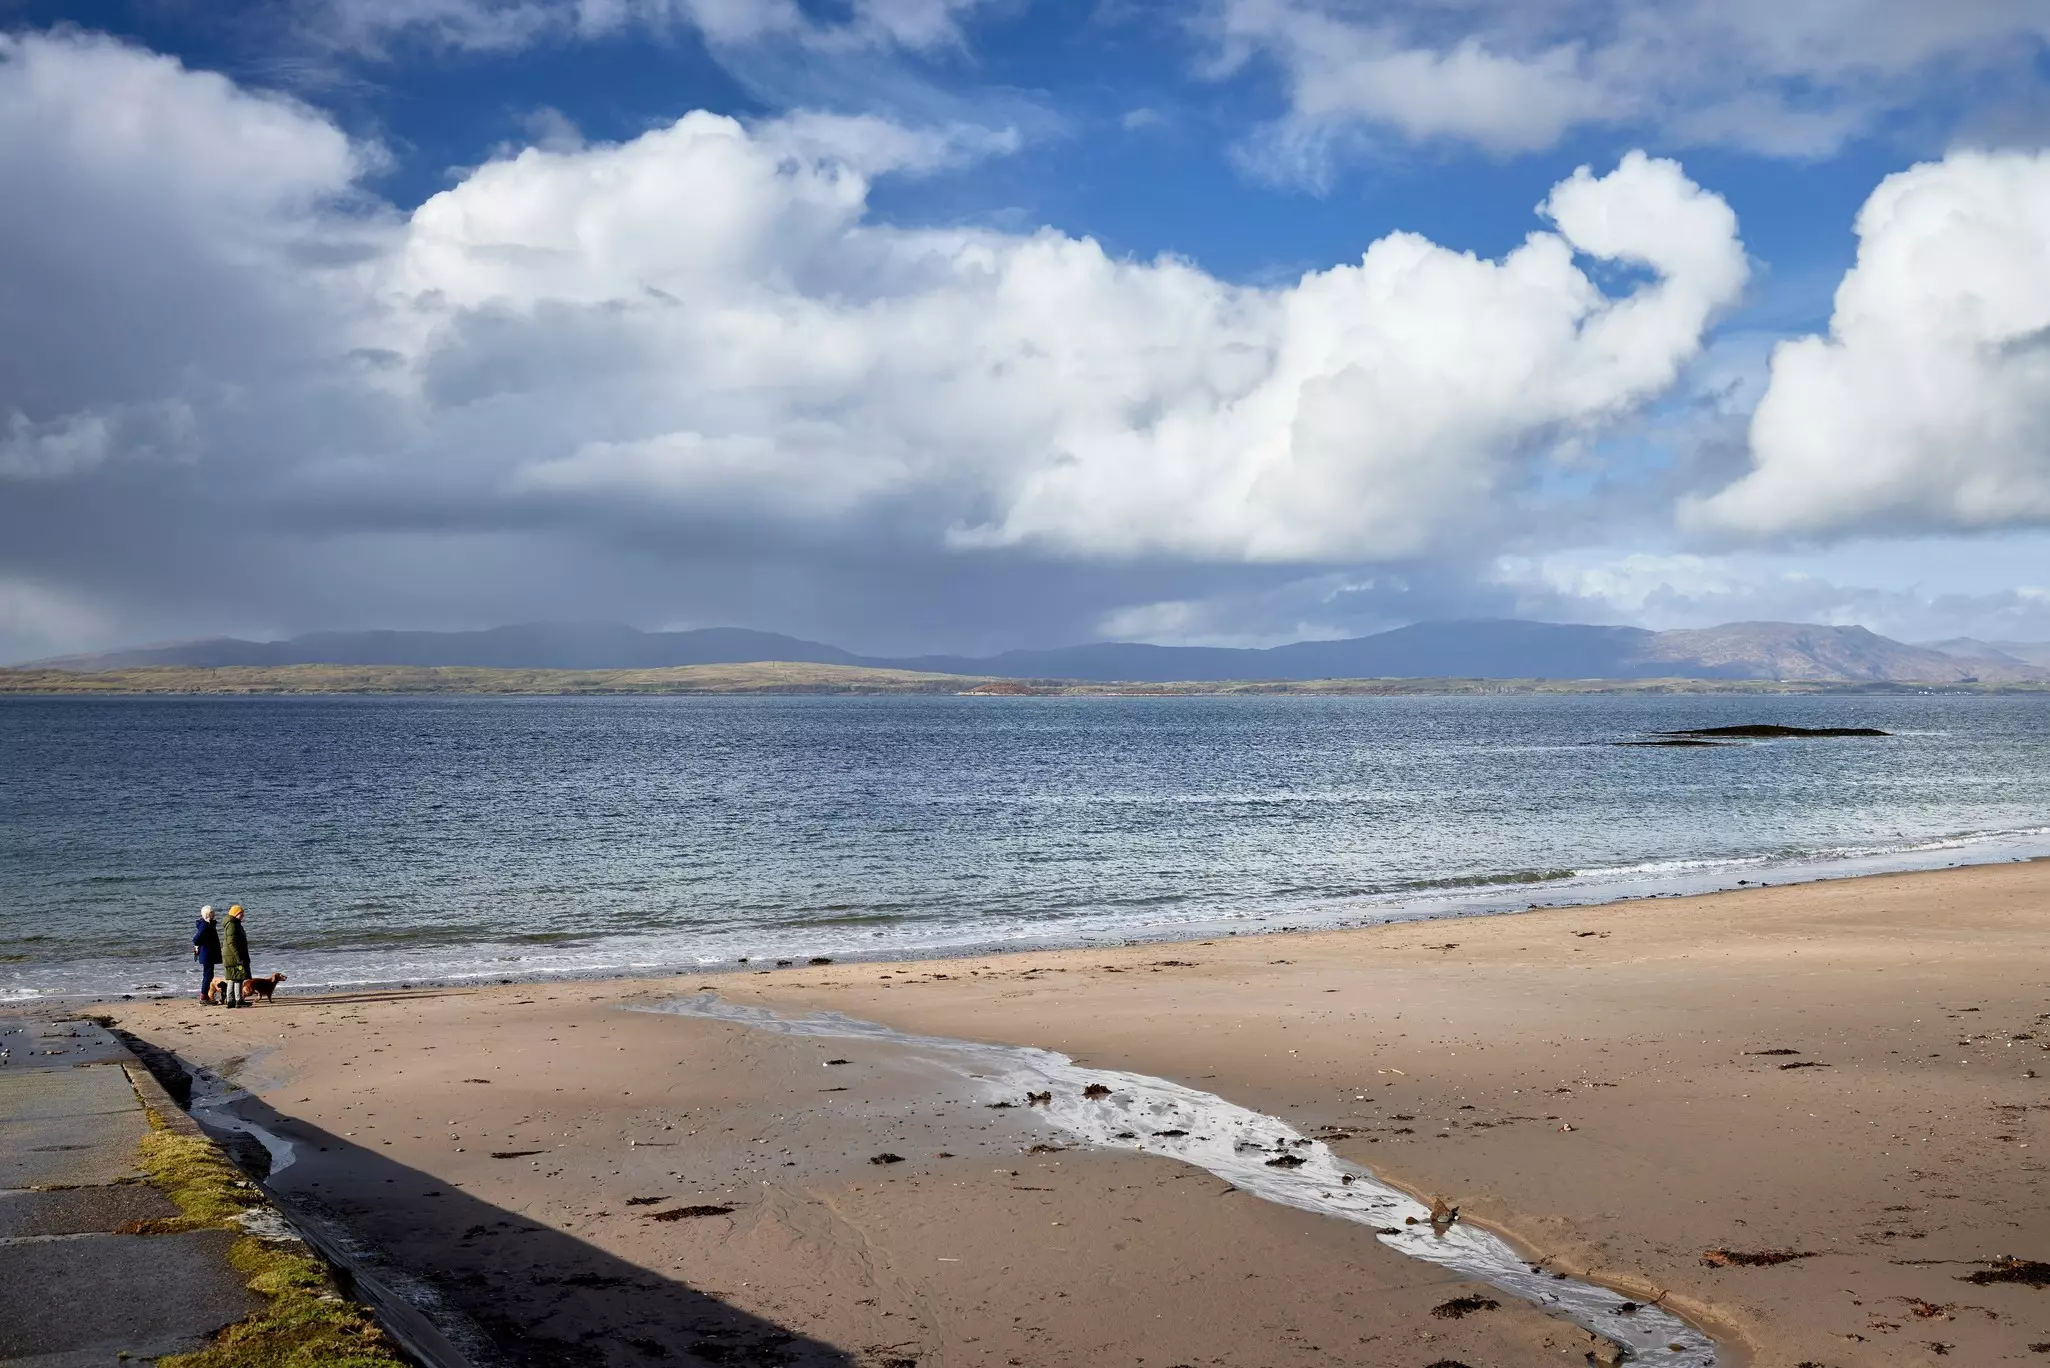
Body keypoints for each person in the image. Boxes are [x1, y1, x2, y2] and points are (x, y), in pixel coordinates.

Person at [220, 904, 251, 1008]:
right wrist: (238, 957)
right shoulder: (232, 924)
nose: (242, 915)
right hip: (233, 956)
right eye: (240, 913)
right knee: (236, 977)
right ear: (235, 913)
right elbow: (231, 942)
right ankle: (235, 1000)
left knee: (235, 977)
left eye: (242, 913)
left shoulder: (235, 923)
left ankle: (234, 1000)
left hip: (232, 955)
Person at [191, 905, 221, 1003]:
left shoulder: (209, 924)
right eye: (212, 912)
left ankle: (206, 995)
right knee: (208, 975)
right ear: (208, 914)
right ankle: (204, 997)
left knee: (209, 974)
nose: (214, 914)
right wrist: (200, 944)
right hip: (207, 953)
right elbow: (196, 939)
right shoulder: (205, 925)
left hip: (208, 953)